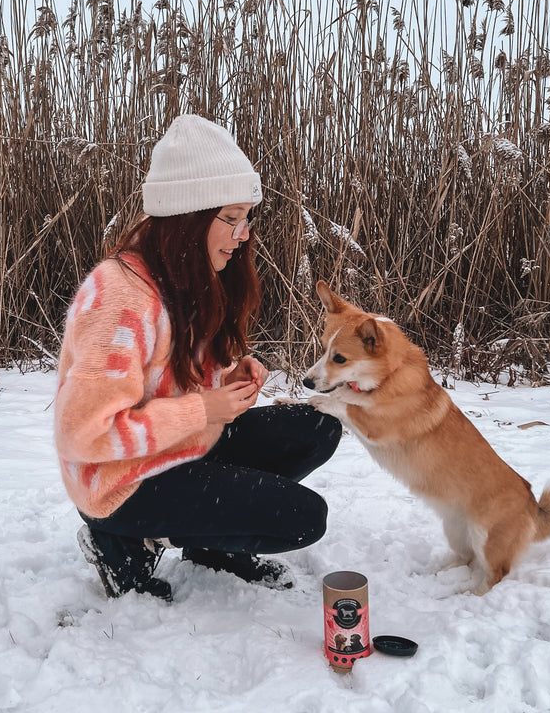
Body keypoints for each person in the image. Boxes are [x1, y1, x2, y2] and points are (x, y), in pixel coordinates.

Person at [54, 115, 341, 602]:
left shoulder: (189, 277)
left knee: (319, 428)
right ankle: (119, 540)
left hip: (183, 449)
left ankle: (209, 545)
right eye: (231, 218)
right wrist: (206, 408)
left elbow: (175, 376)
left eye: (246, 218)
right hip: (122, 482)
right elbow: (82, 433)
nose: (244, 234)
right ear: (187, 218)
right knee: (302, 519)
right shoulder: (121, 298)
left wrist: (231, 374)